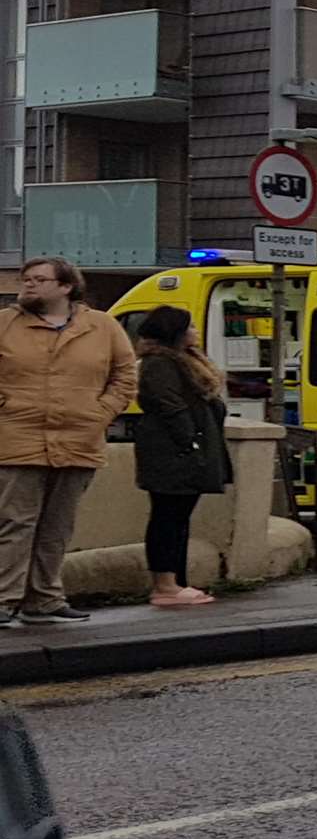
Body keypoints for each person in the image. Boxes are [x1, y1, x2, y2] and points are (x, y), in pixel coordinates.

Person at [0, 257, 137, 626]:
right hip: (17, 437)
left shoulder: (103, 326)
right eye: (25, 279)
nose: (28, 285)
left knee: (58, 525)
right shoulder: (5, 324)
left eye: (39, 280)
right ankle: (4, 599)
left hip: (79, 438)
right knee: (15, 522)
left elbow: (125, 375)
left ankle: (44, 600)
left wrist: (100, 412)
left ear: (66, 287)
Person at [133, 306, 230, 607]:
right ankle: (164, 586)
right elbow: (171, 407)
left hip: (186, 451)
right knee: (167, 517)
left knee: (179, 518)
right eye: (190, 327)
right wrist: (191, 443)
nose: (195, 331)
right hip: (172, 454)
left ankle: (177, 582)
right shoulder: (160, 365)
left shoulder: (184, 361)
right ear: (175, 333)